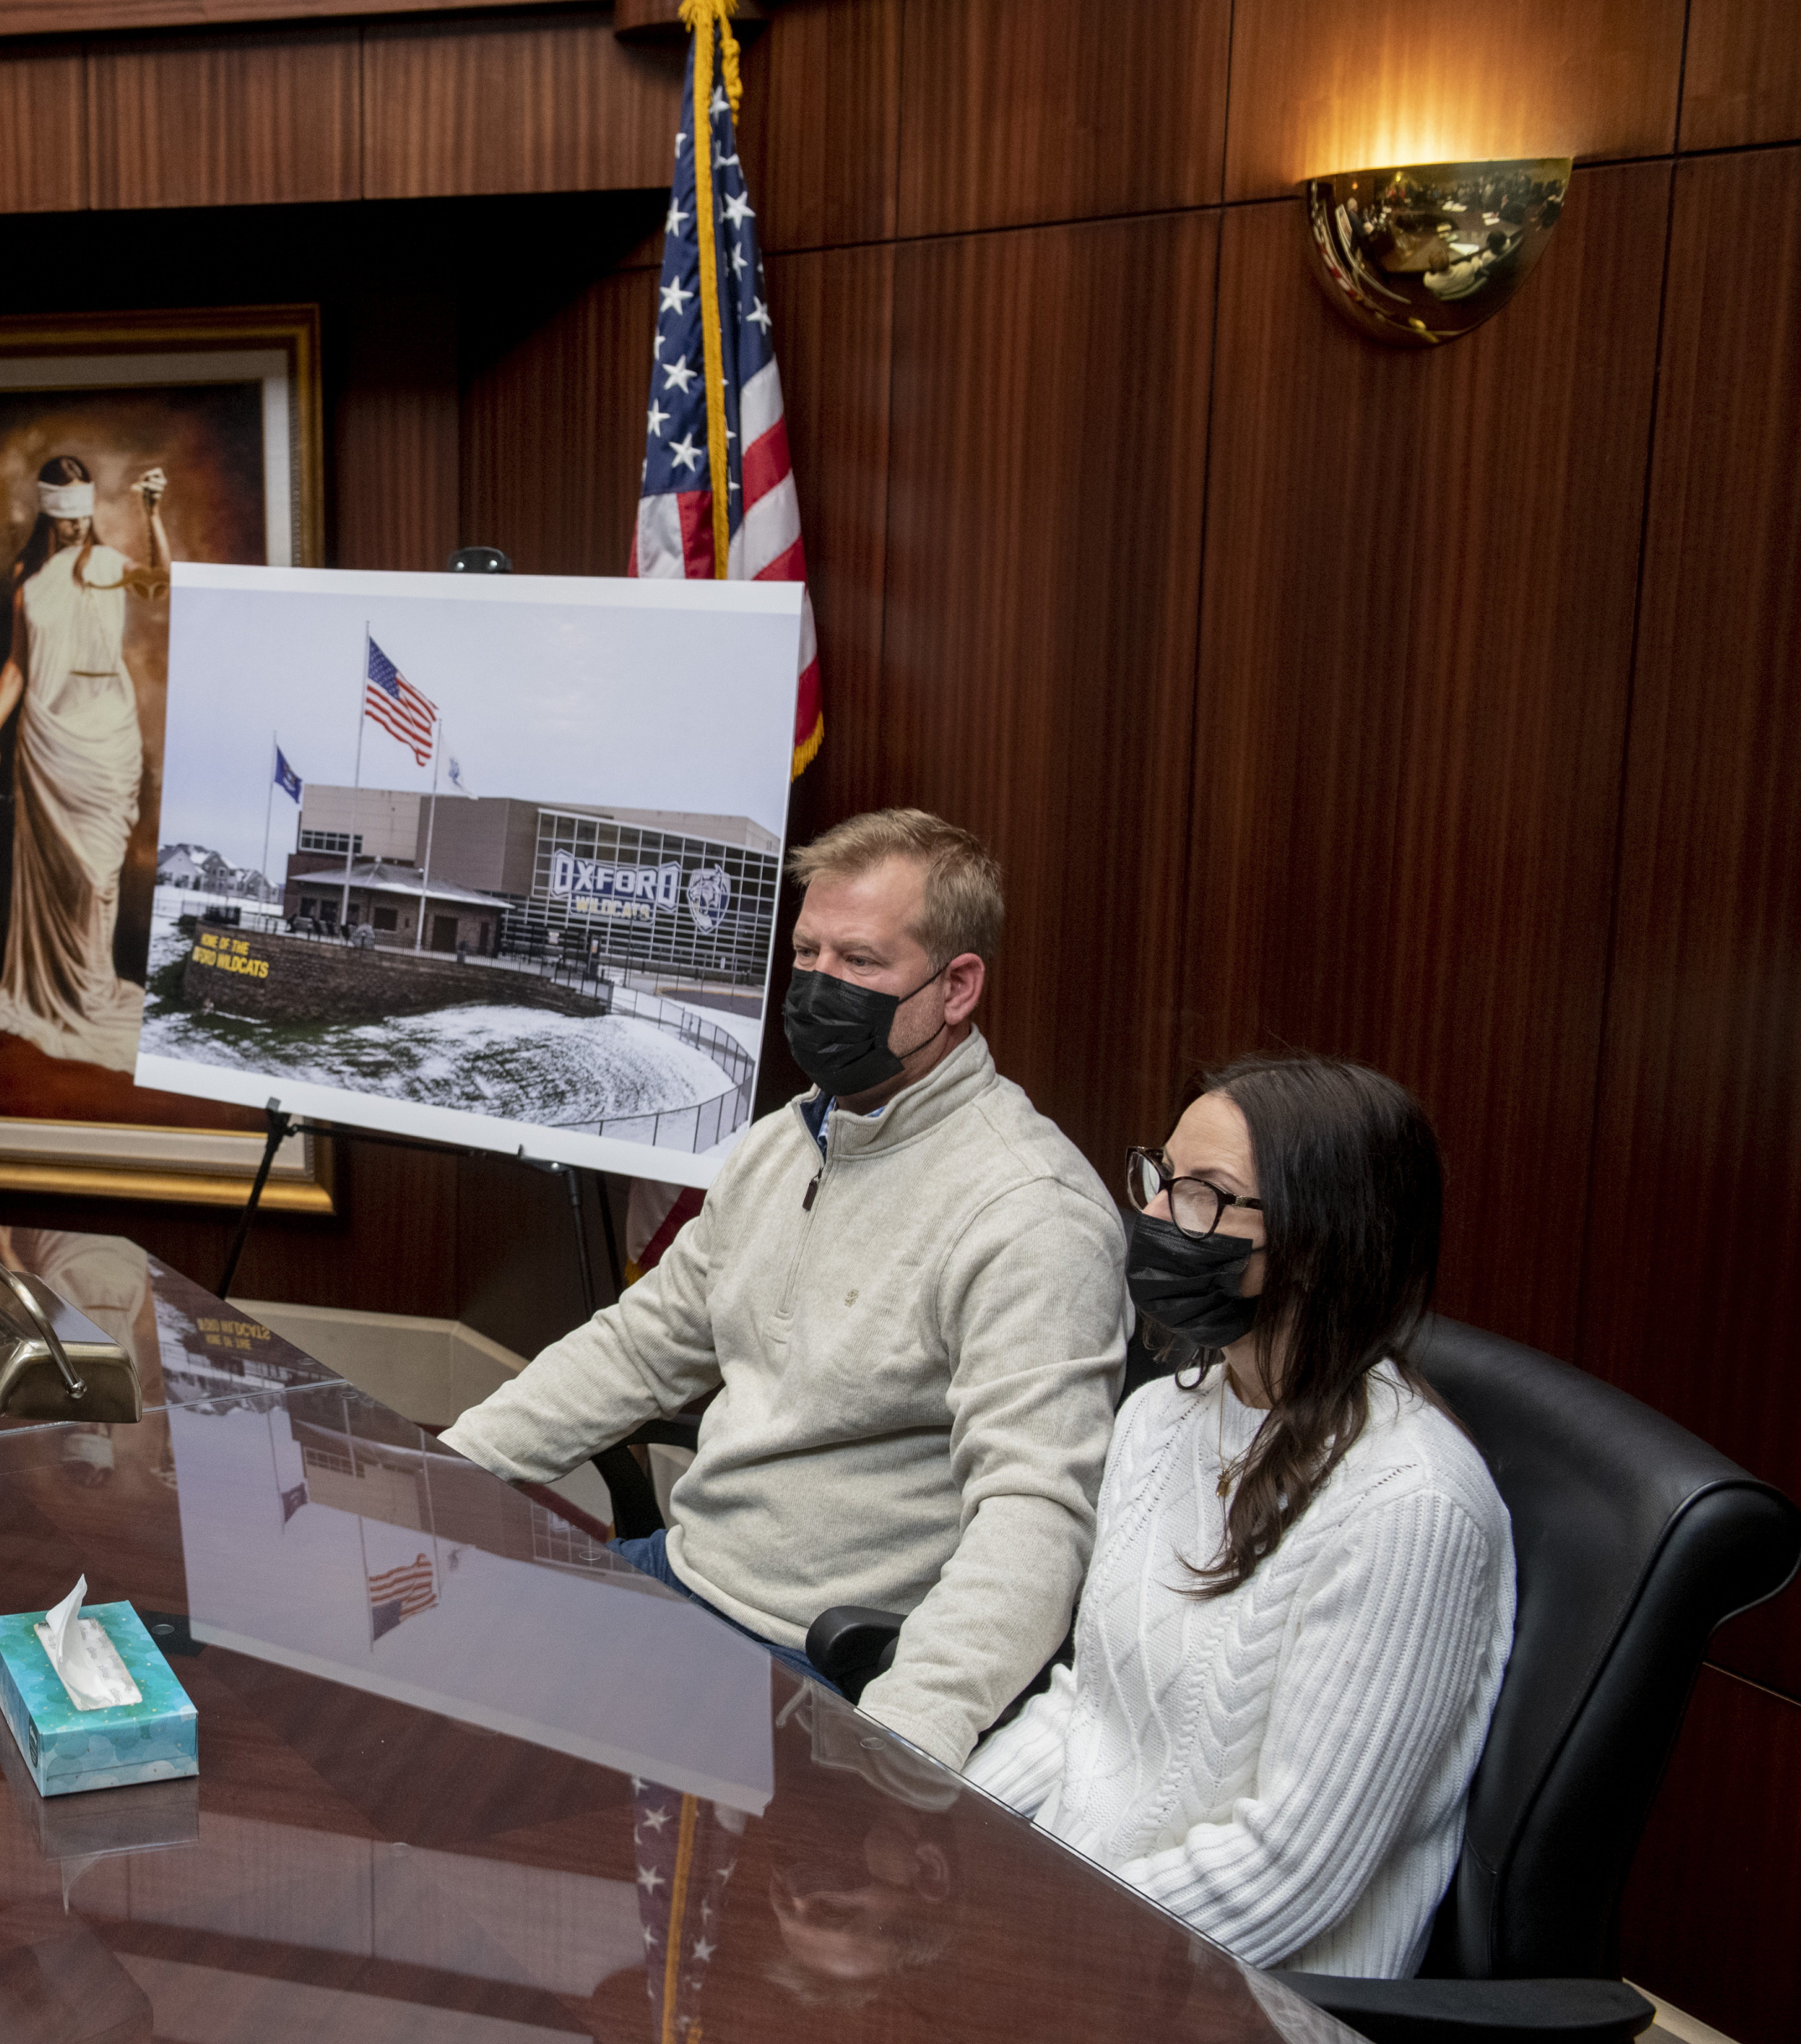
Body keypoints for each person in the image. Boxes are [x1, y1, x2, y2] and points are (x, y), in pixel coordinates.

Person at [440, 809, 1128, 1769]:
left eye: (859, 961)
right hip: (680, 1574)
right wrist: (442, 1474)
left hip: (817, 1657)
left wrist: (905, 1743)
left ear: (957, 985)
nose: (817, 988)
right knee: (423, 1686)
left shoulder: (1032, 1213)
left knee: (513, 1784)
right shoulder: (784, 1141)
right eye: (807, 953)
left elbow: (1034, 1516)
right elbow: (641, 1347)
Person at [967, 1056, 1513, 1978]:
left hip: (1243, 1993)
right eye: (1158, 1178)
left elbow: (1289, 1869)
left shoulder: (1411, 1505)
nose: (1154, 1216)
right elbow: (1092, 1708)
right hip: (1076, 1927)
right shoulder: (1158, 1416)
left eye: (1206, 1196)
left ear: (1321, 1240)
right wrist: (950, 1840)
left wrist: (1038, 1942)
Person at [0, 454, 171, 1071]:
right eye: (68, 516)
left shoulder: (106, 567)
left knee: (99, 875)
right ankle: (58, 991)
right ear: (51, 513)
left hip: (105, 736)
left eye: (85, 516)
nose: (78, 527)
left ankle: (95, 988)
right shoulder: (30, 577)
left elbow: (159, 584)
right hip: (47, 742)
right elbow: (19, 663)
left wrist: (152, 514)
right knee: (59, 876)